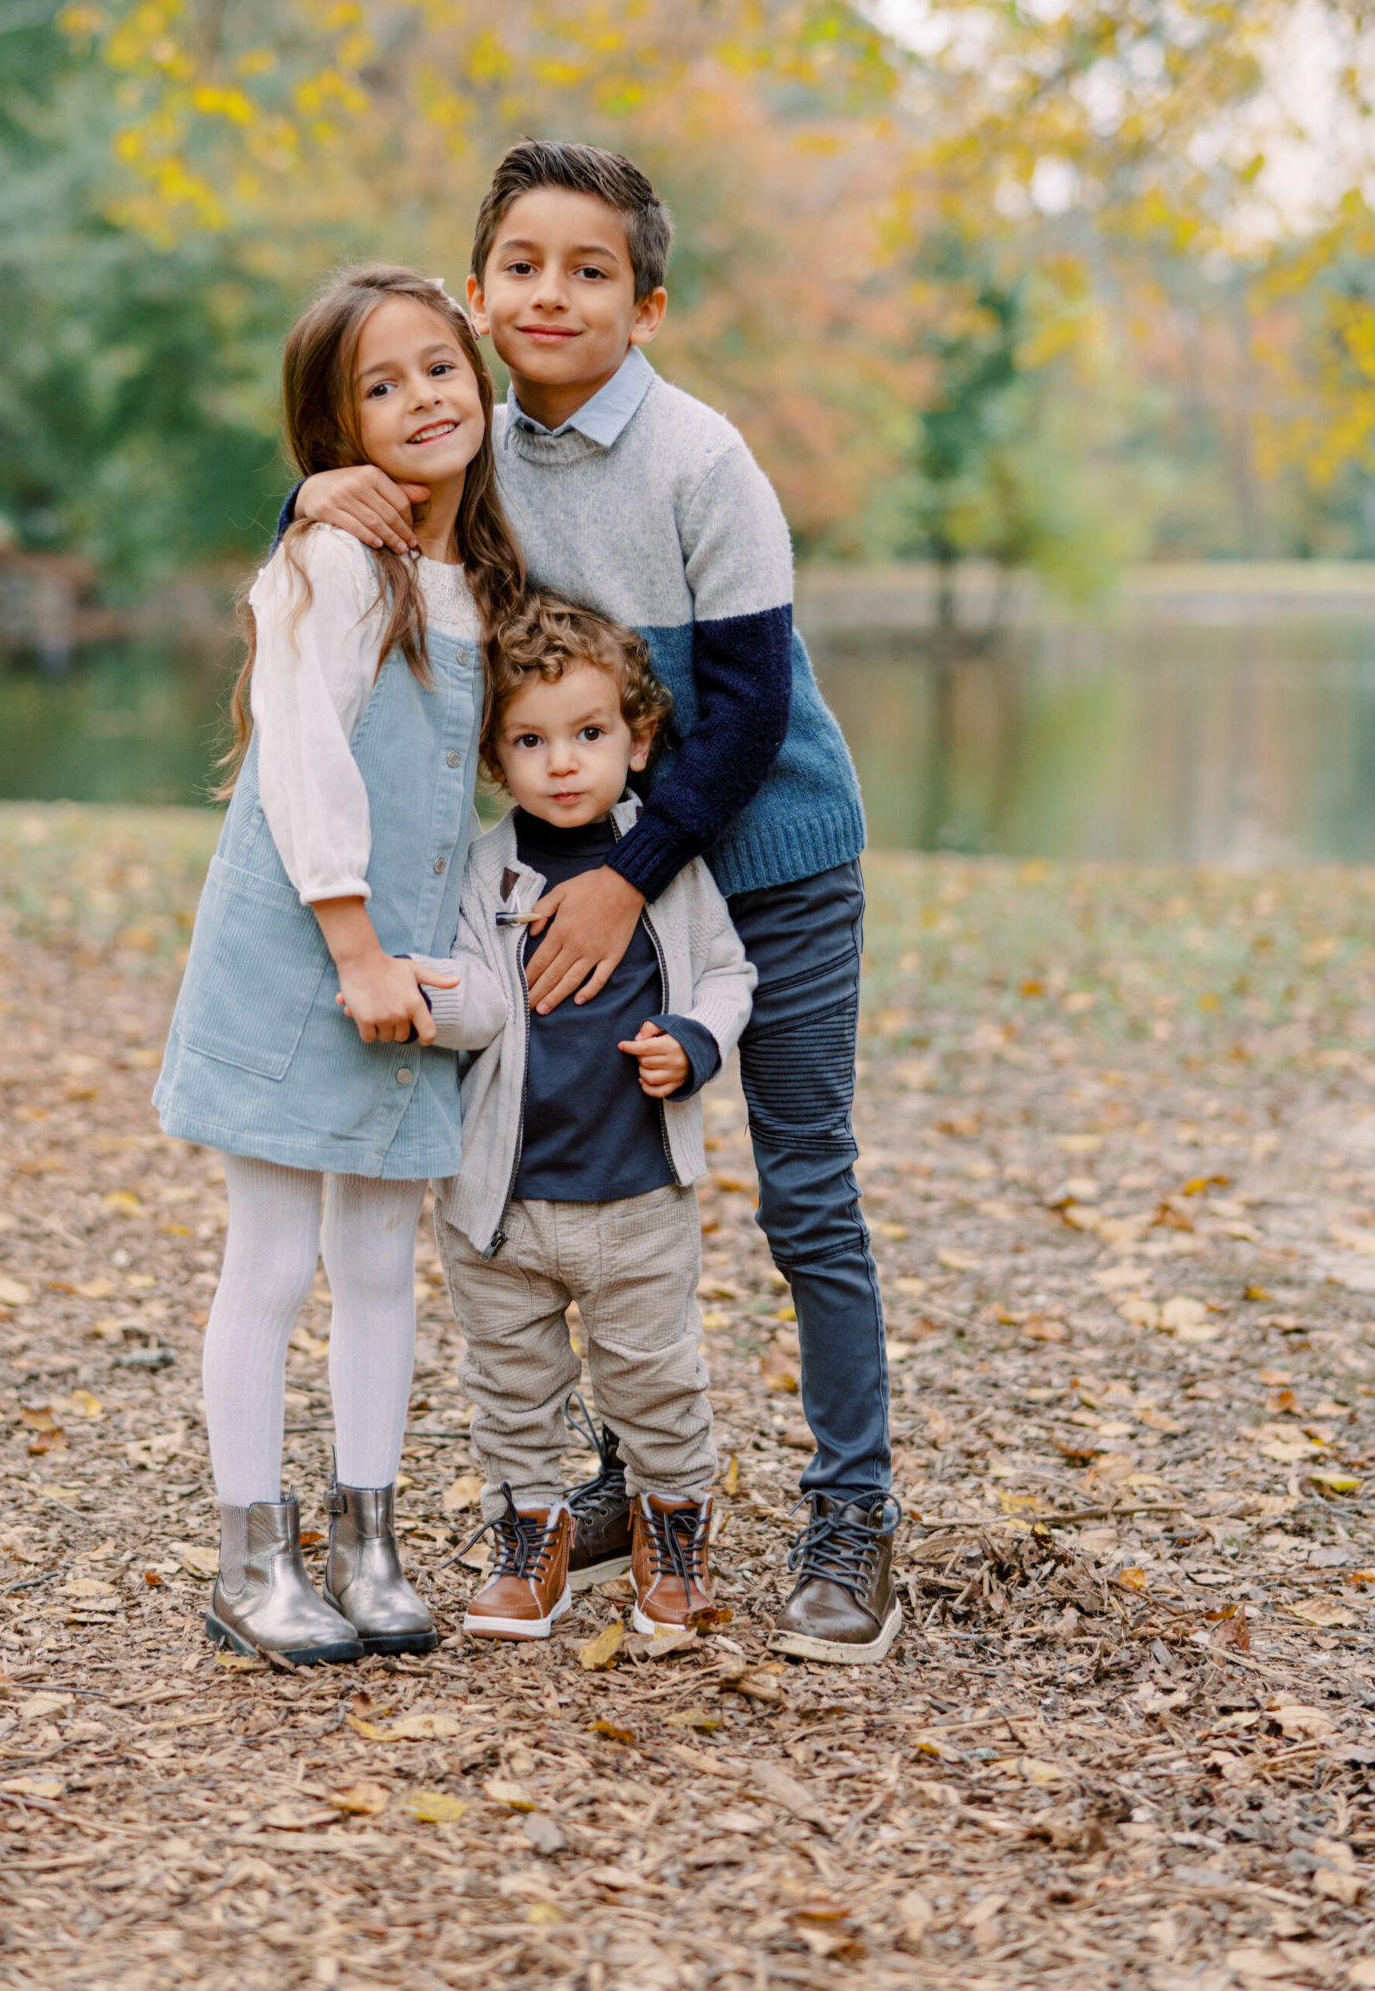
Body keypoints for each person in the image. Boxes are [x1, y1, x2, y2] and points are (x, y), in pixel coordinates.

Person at [292, 141, 903, 1665]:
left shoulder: (704, 460)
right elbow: (342, 566)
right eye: (521, 266)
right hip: (593, 868)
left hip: (763, 859)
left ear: (651, 303)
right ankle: (634, 1479)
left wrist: (633, 883)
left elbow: (751, 714)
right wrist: (311, 491)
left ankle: (854, 1511)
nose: (551, 293)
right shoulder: (473, 444)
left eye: (590, 269)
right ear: (481, 291)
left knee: (808, 1182)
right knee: (606, 1148)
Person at [155, 264, 524, 1666]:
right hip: (309, 950)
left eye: (441, 366)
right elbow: (305, 761)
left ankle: (368, 1544)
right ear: (334, 430)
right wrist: (359, 949)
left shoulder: (477, 569)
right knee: (275, 1255)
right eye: (382, 386)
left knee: (379, 1257)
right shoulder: (334, 560)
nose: (424, 398)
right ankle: (254, 1558)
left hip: (408, 965)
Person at [421, 593, 754, 1640]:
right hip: (503, 1202)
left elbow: (729, 974)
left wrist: (695, 1043)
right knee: (511, 1382)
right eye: (531, 740)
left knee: (655, 1378)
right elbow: (481, 1000)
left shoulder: (666, 863)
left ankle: (673, 1528)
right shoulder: (481, 873)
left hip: (636, 1194)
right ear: (495, 755)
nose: (562, 762)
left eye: (589, 734)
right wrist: (422, 1000)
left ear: (637, 736)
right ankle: (531, 1537)